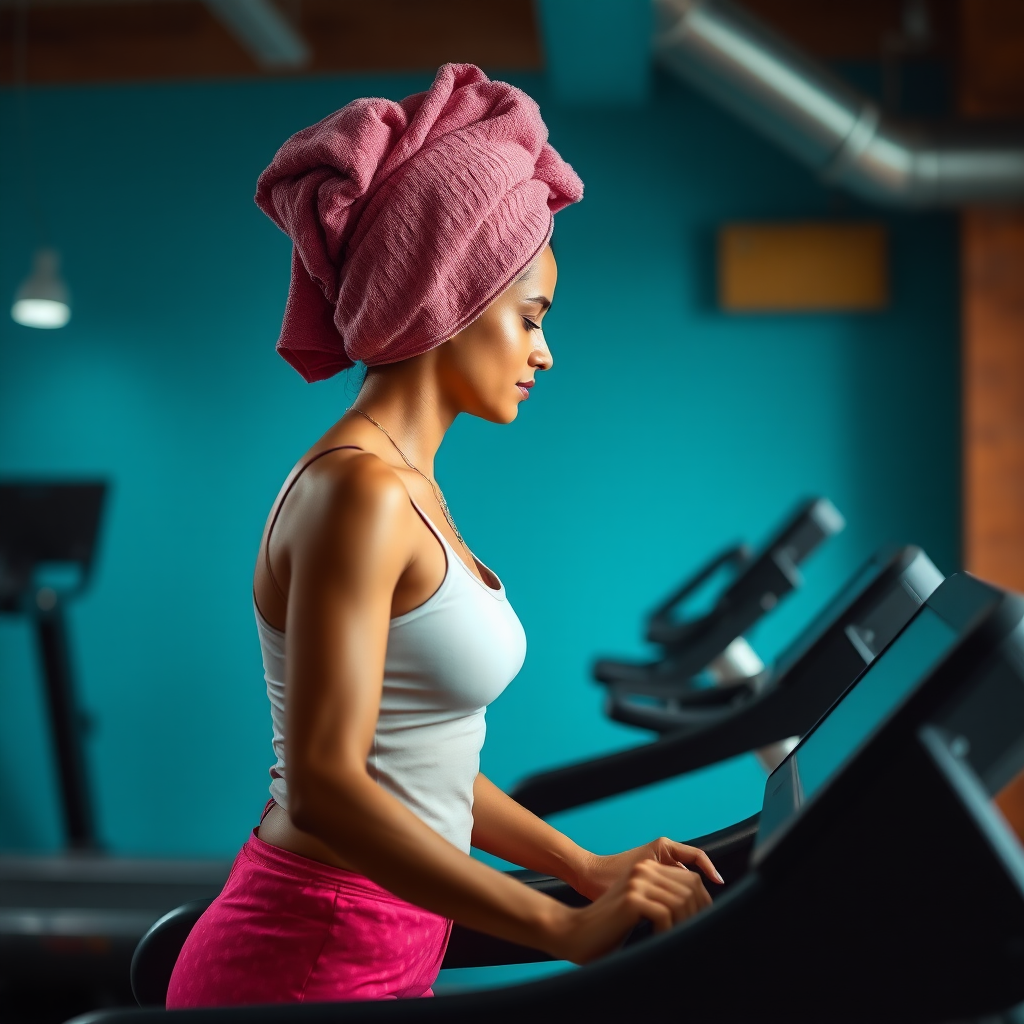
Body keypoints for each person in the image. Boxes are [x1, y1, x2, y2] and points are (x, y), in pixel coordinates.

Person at [166, 63, 722, 1009]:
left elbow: (426, 766)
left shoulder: (404, 482)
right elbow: (329, 787)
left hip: (378, 944)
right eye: (530, 317)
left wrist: (584, 867)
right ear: (454, 297)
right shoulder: (358, 494)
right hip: (309, 955)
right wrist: (557, 925)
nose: (544, 349)